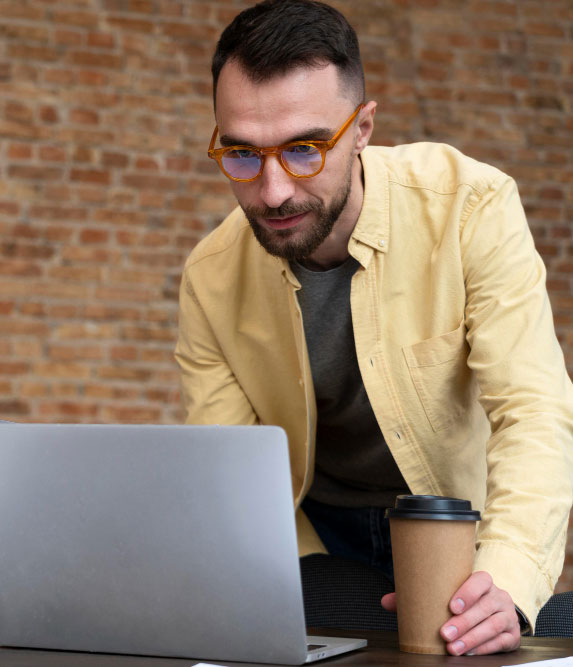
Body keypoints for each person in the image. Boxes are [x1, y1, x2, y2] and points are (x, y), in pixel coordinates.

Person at [175, 0, 573, 656]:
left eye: (303, 149)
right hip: (317, 549)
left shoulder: (470, 207)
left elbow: (534, 411)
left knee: (463, 639)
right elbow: (236, 481)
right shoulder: (211, 277)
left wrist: (503, 578)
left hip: (449, 529)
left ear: (361, 128)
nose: (272, 191)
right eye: (242, 154)